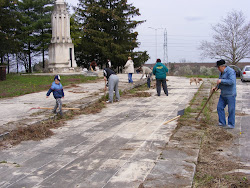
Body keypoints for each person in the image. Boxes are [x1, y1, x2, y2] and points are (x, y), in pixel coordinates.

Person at [213, 59, 236, 129]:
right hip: (223, 94)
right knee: (219, 107)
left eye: (218, 67)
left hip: (230, 94)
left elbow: (232, 82)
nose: (218, 69)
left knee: (231, 110)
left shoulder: (231, 72)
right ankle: (222, 122)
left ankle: (231, 124)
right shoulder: (221, 72)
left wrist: (221, 81)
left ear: (222, 66)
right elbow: (220, 82)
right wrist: (216, 88)